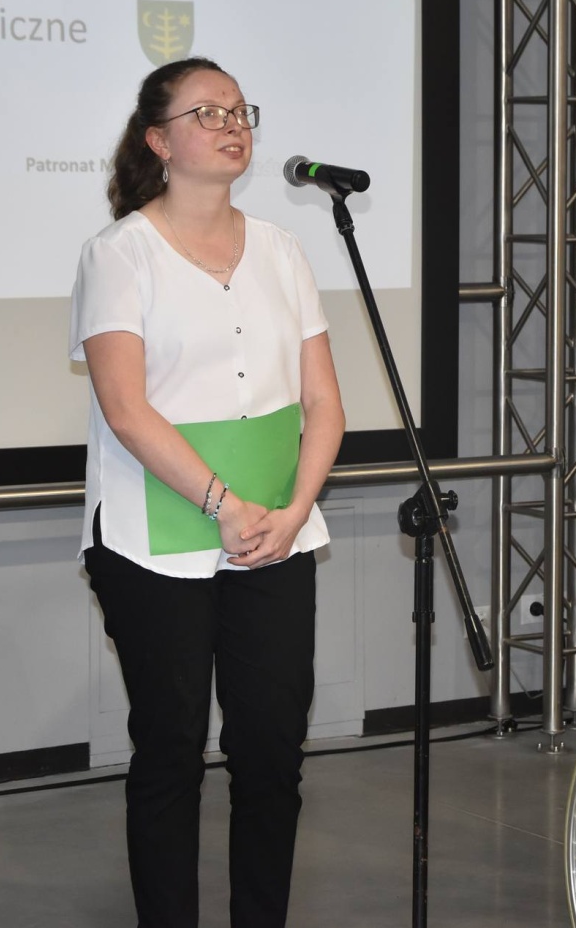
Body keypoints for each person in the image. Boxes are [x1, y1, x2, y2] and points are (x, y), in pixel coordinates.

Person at [69, 56, 345, 928]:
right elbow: (125, 407)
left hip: (277, 535)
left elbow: (325, 404)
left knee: (271, 751)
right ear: (159, 141)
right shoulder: (119, 254)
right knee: (171, 751)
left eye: (239, 111)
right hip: (155, 541)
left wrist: (292, 512)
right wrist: (223, 504)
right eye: (208, 113)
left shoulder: (283, 250)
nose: (232, 125)